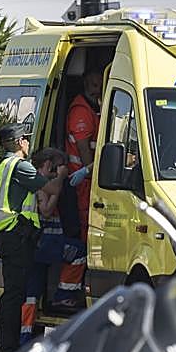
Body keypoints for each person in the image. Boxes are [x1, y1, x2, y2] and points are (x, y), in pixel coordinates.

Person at [0, 123, 65, 352]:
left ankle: (5, 350)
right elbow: (51, 188)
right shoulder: (20, 167)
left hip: (6, 235)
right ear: (21, 142)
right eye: (26, 140)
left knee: (12, 294)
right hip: (17, 235)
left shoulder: (1, 168)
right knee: (14, 296)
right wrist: (61, 176)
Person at [23, 146, 84, 343]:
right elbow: (47, 210)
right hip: (45, 243)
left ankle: (25, 338)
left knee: (32, 293)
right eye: (58, 166)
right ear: (49, 165)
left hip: (38, 245)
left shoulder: (36, 179)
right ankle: (63, 295)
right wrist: (60, 182)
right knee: (79, 252)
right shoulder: (41, 183)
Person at [57, 66, 105, 310]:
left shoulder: (93, 108)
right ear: (87, 82)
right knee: (81, 240)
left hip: (88, 183)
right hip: (82, 184)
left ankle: (74, 292)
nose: (98, 87)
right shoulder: (81, 112)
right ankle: (66, 294)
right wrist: (90, 170)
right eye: (95, 83)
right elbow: (87, 152)